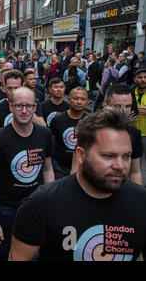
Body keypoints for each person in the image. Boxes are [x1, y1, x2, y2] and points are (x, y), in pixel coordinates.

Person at [10, 109, 146, 261]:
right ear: (81, 155)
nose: (120, 165)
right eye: (108, 156)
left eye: (126, 156)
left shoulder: (142, 202)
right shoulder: (42, 203)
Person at [0, 87, 55, 262]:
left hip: (36, 206)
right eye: (19, 106)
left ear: (35, 107)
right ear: (10, 106)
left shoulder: (45, 134)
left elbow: (47, 170)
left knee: (34, 252)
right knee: (5, 248)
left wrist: (50, 203)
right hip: (7, 208)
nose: (24, 110)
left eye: (29, 106)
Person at [50, 87, 89, 179]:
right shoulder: (57, 120)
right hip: (60, 167)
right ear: (69, 100)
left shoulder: (91, 121)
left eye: (83, 99)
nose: (79, 102)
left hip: (82, 166)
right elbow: (51, 143)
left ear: (87, 102)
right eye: (76, 98)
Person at [131, 68, 146, 158]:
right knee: (135, 162)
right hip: (133, 133)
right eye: (140, 77)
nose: (143, 80)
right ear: (135, 79)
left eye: (145, 77)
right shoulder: (129, 93)